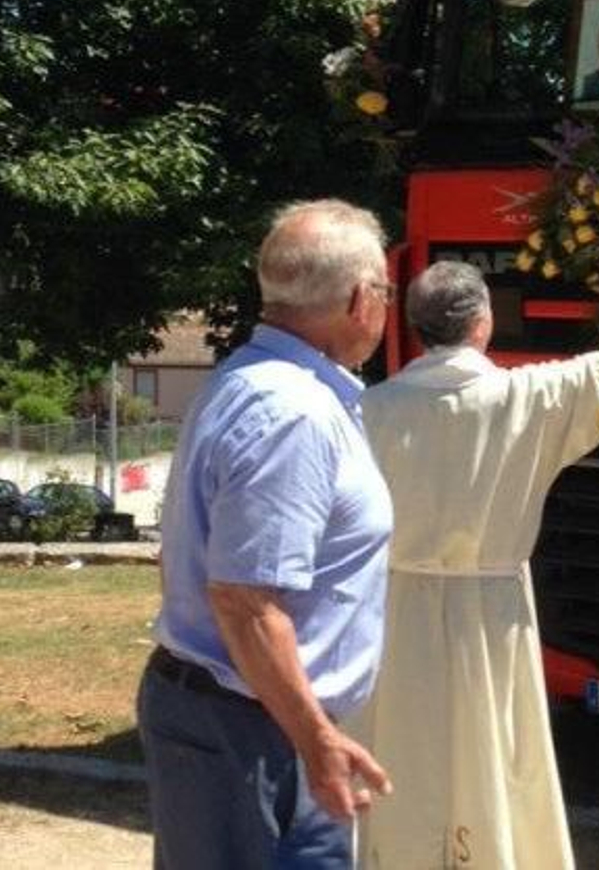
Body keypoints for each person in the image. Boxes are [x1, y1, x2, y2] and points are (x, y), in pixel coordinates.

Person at [352, 222, 599, 869]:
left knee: (403, 756)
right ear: (483, 323)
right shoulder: (529, 395)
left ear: (414, 327)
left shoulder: (366, 411)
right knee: (493, 760)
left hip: (393, 614)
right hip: (489, 619)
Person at [138, 199, 396, 869]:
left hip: (247, 718)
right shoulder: (295, 413)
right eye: (386, 293)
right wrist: (315, 740)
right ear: (362, 299)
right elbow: (244, 599)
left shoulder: (250, 382)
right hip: (252, 728)